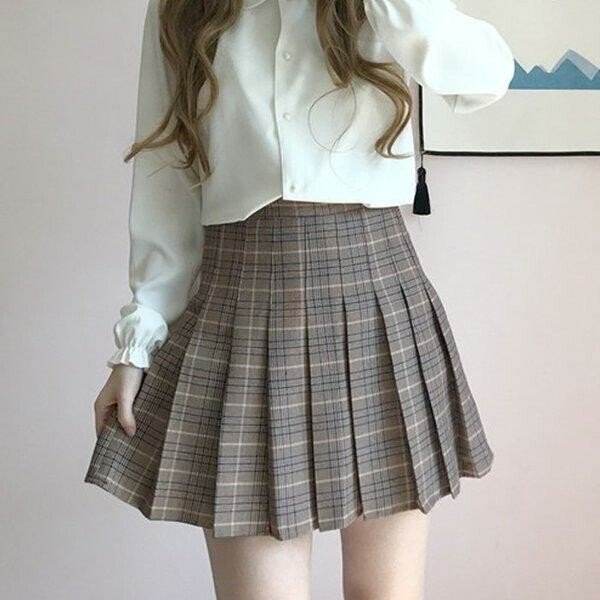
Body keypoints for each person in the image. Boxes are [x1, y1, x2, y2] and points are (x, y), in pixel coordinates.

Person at [84, 1, 515, 598]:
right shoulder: (182, 7)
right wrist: (138, 340)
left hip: (375, 300)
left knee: (384, 593)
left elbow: (487, 76)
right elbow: (167, 175)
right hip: (240, 304)